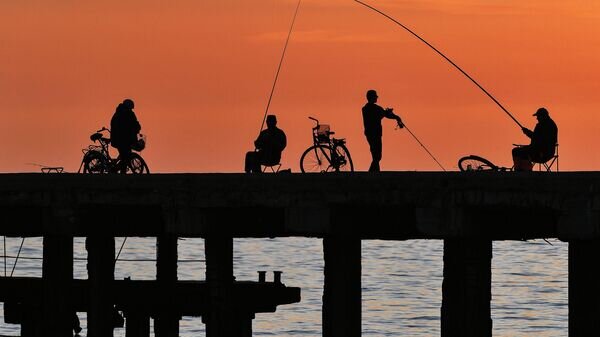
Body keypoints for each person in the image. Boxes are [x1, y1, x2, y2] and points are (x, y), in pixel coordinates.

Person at [362, 89, 403, 172]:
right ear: (372, 98)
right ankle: (372, 173)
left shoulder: (365, 108)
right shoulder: (375, 108)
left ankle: (375, 172)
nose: (377, 98)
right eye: (375, 97)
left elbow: (382, 114)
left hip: (369, 134)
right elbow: (385, 115)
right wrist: (397, 117)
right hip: (375, 134)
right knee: (377, 156)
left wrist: (386, 113)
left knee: (375, 155)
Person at [512, 107, 558, 171]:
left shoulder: (546, 125)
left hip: (542, 152)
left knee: (518, 151)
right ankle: (522, 170)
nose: (537, 118)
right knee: (518, 151)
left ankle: (524, 171)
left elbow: (538, 138)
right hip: (542, 150)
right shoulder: (548, 124)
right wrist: (528, 132)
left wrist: (527, 132)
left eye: (538, 116)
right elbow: (536, 137)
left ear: (542, 116)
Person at [110, 99, 141, 173]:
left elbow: (134, 124)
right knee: (125, 156)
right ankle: (122, 173)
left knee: (126, 155)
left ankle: (120, 170)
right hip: (121, 139)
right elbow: (132, 125)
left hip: (124, 139)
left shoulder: (120, 113)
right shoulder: (122, 114)